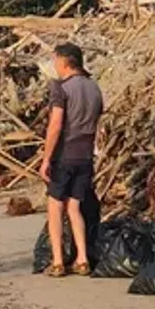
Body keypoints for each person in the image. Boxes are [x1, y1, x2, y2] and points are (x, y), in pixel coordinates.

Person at [41, 42, 103, 278]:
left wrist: (46, 158)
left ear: (65, 61)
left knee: (55, 205)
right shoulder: (93, 88)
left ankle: (57, 260)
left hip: (64, 153)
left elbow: (56, 124)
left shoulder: (62, 88)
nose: (54, 66)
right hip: (85, 154)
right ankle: (82, 258)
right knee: (75, 206)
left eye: (55, 60)